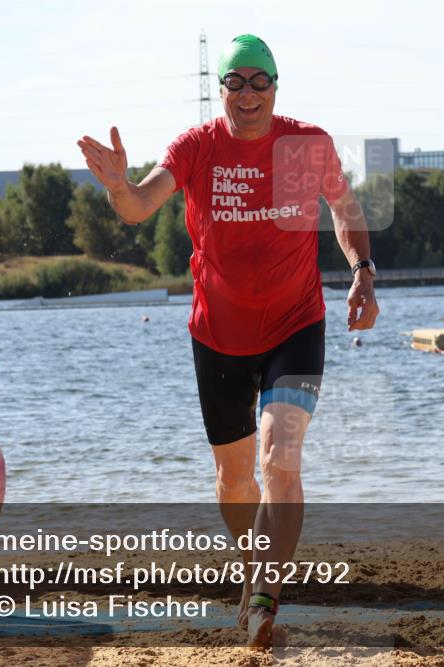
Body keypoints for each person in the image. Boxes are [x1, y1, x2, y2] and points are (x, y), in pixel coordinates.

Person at [78, 34, 379, 648]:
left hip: (296, 324)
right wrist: (117, 185)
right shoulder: (196, 148)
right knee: (237, 481)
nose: (248, 93)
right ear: (221, 91)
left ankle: (265, 597)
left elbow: (345, 211)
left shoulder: (305, 146)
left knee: (280, 457)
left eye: (259, 81)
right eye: (235, 82)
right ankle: (252, 576)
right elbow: (139, 205)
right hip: (217, 335)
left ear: (275, 86)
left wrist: (362, 273)